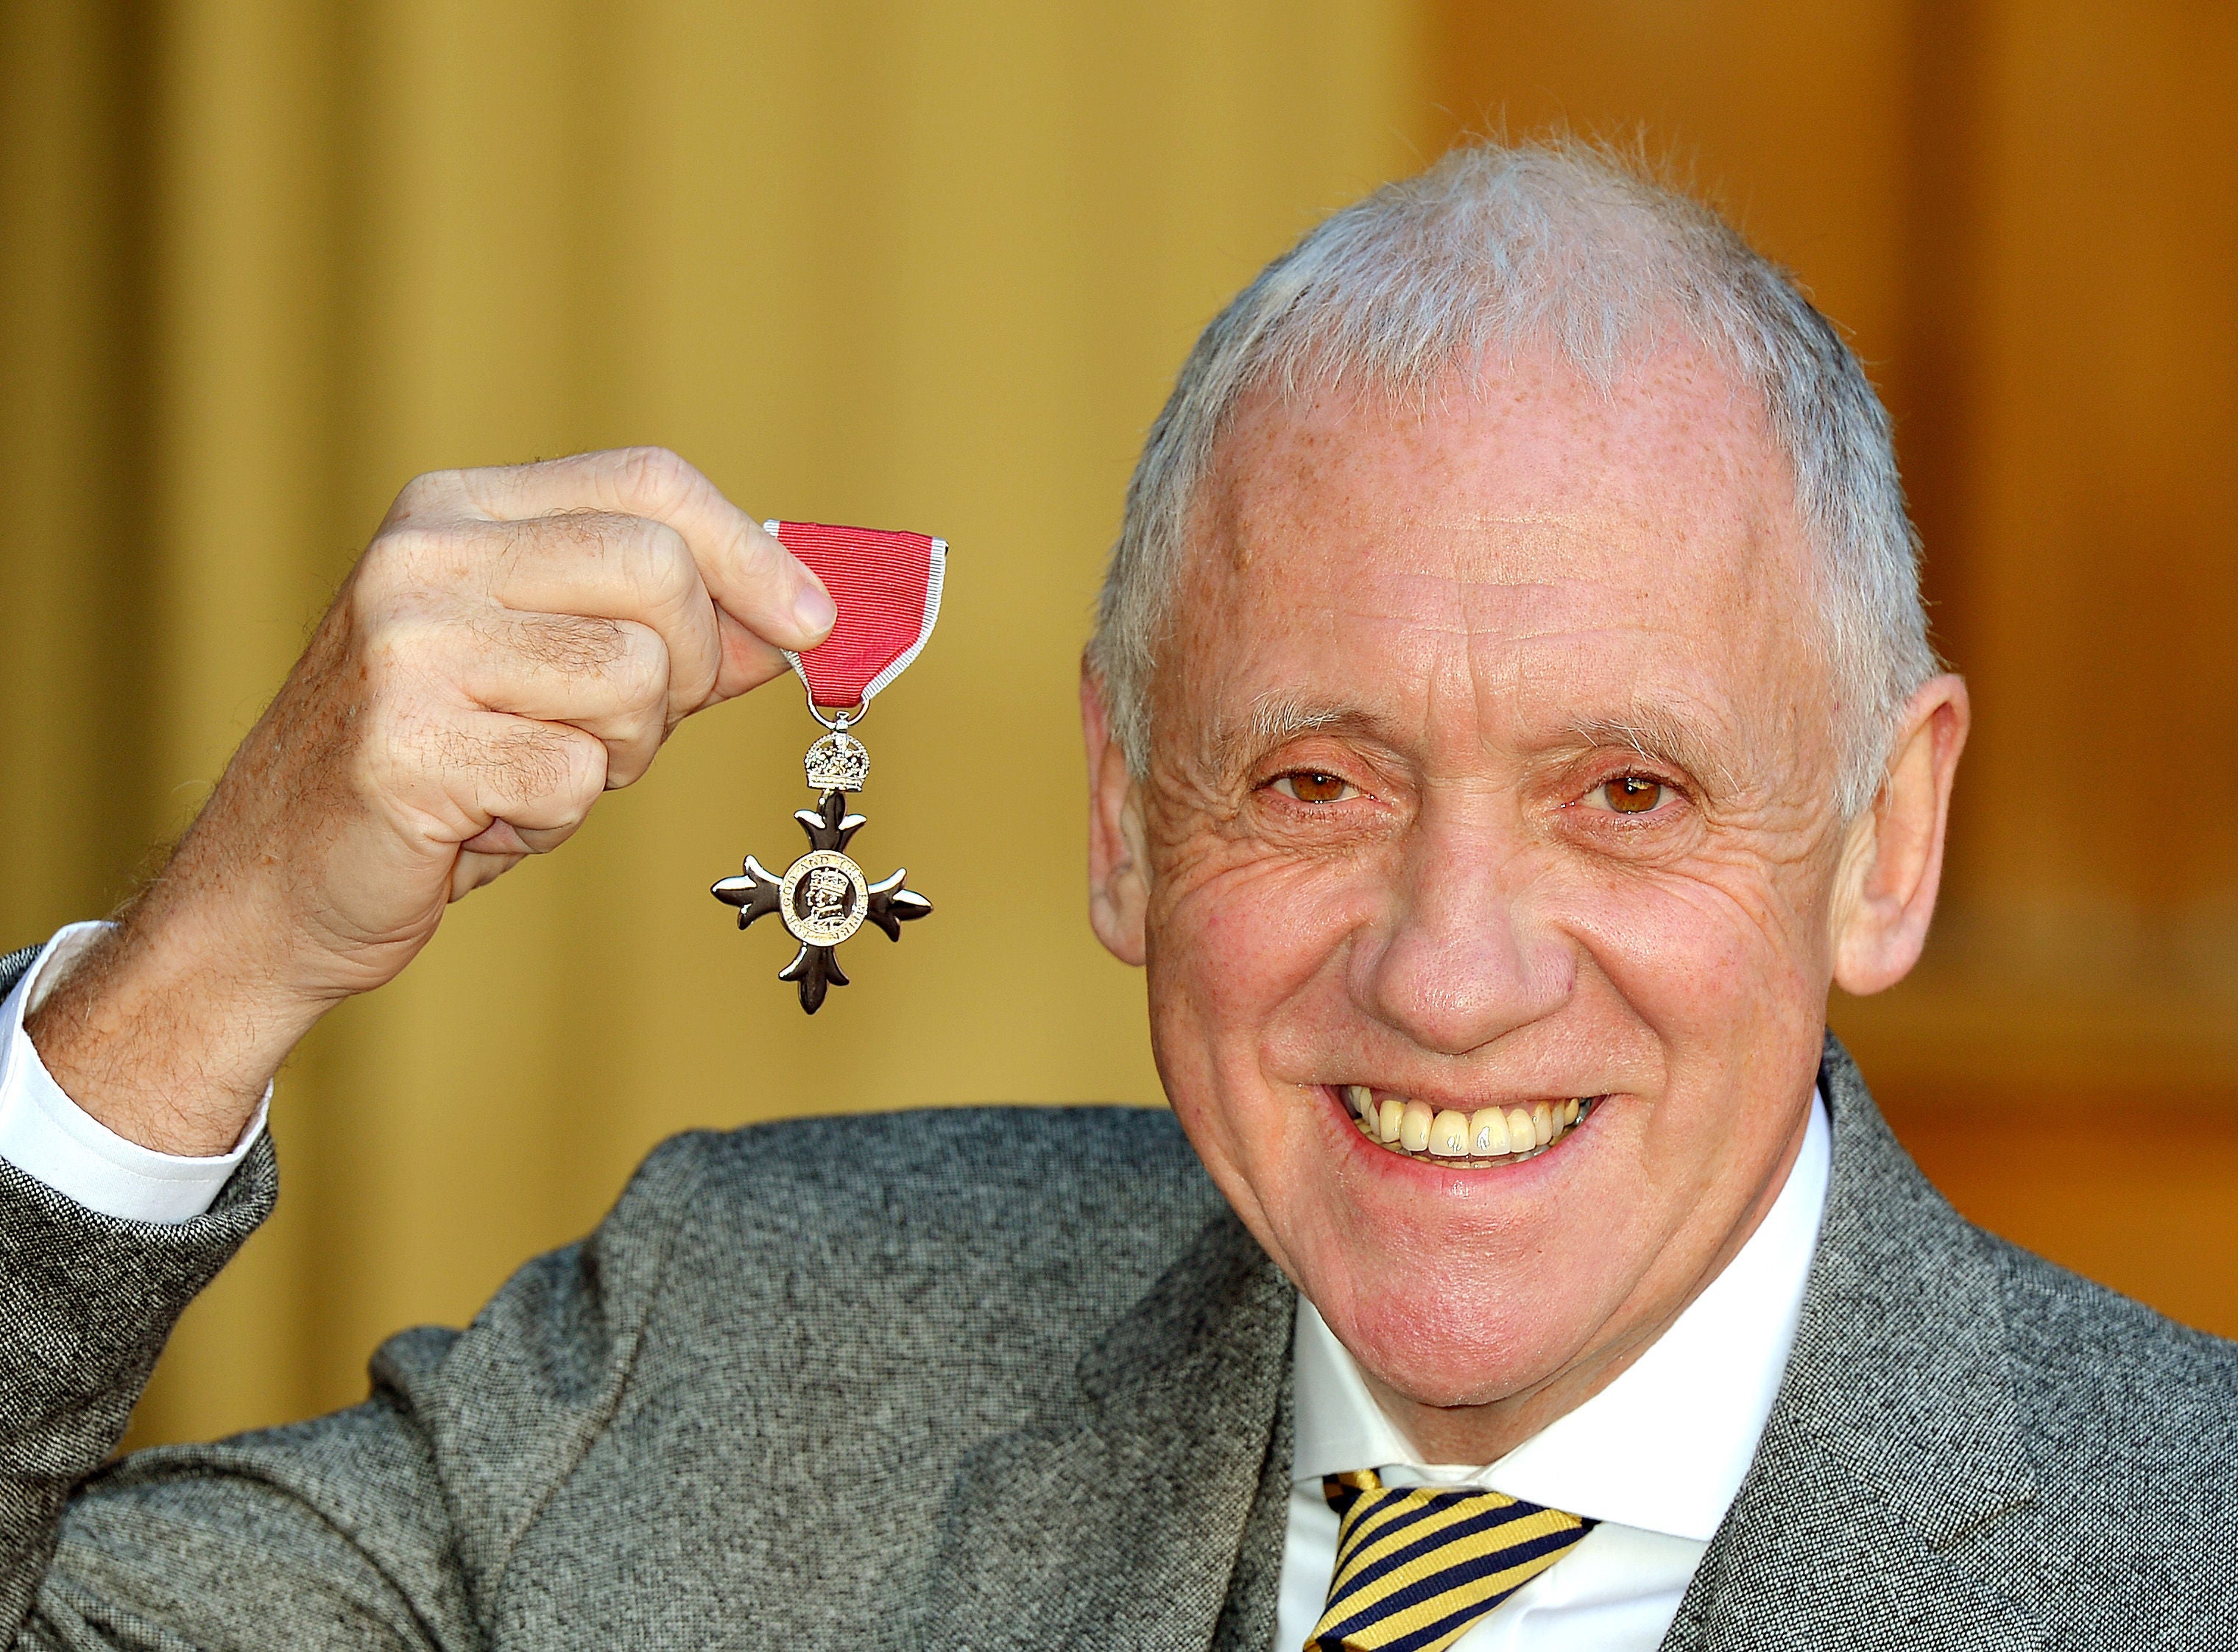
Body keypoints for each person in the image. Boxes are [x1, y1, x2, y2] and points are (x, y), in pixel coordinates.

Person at [2, 141, 2231, 1651]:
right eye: (1314, 778)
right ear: (1122, 812)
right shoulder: (737, 1352)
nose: (1451, 974)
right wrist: (221, 955)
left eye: (1629, 789)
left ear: (1890, 838)